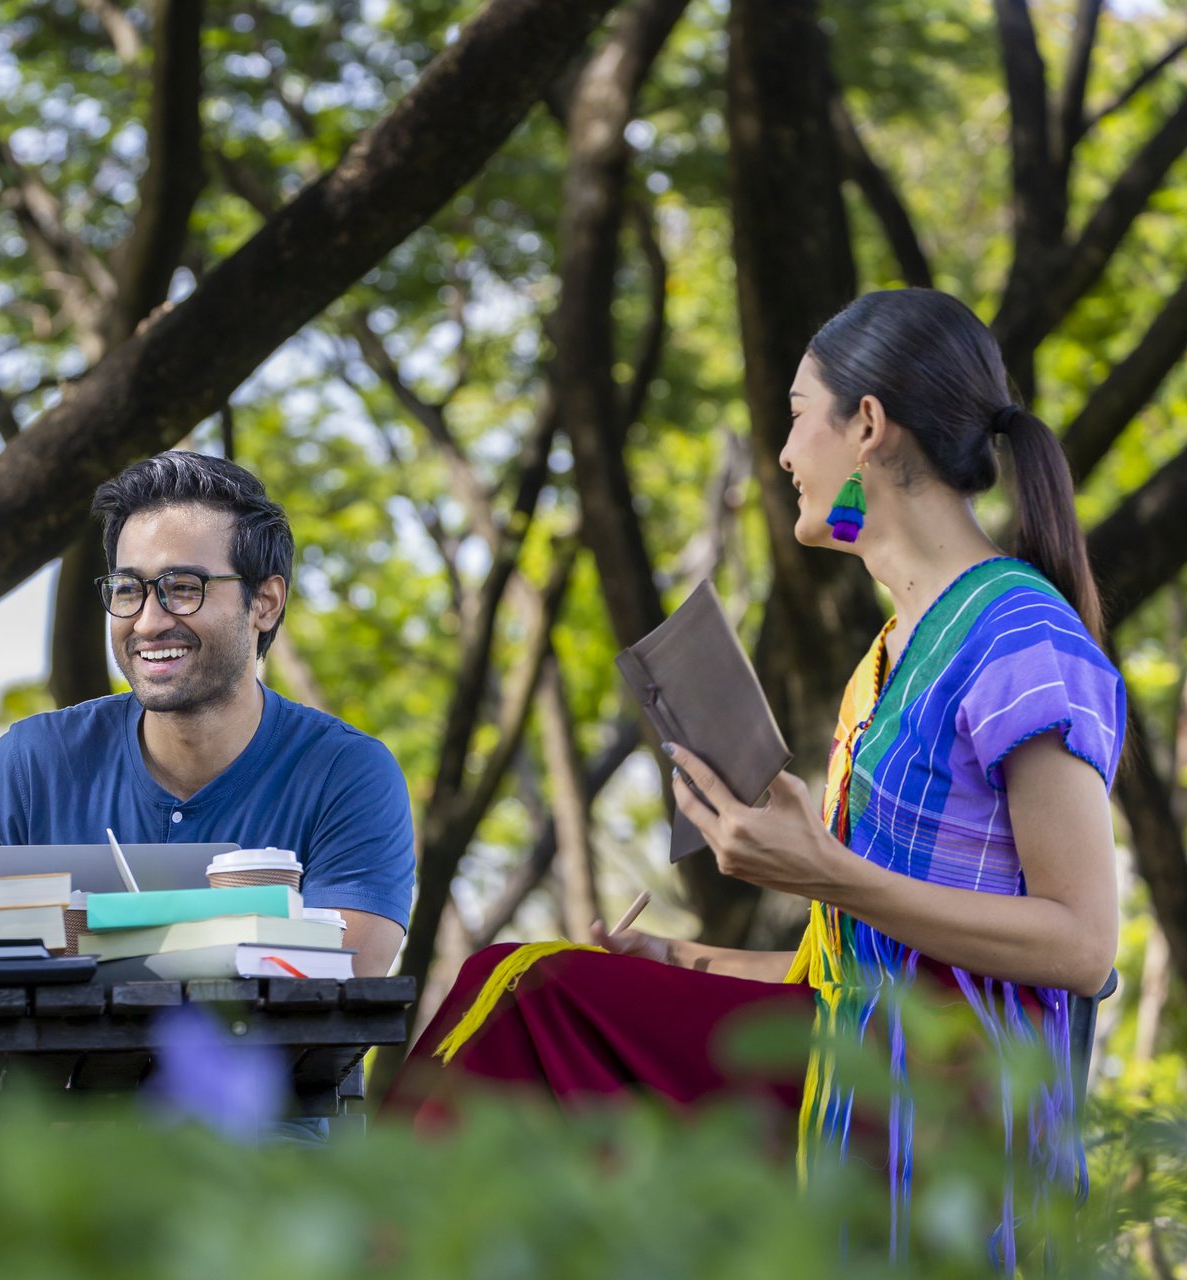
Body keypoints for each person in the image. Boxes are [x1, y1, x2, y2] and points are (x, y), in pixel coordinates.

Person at [384, 289, 1124, 1264]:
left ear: (866, 424)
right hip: (852, 1045)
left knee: (524, 991)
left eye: (796, 412)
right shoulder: (890, 655)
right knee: (541, 990)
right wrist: (686, 963)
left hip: (942, 1094)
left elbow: (1082, 944)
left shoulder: (1021, 635)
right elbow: (862, 962)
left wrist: (818, 869)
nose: (782, 453)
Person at [0, 451, 415, 977]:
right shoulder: (31, 766)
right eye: (129, 589)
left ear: (265, 602)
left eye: (184, 588)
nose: (149, 621)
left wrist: (83, 940)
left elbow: (337, 995)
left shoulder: (347, 774)